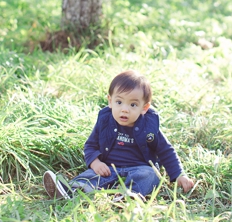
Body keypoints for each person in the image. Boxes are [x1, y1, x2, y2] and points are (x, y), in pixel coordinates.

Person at [42, 70, 195, 201]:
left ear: (144, 108)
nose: (125, 110)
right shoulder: (105, 121)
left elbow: (165, 150)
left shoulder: (148, 126)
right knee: (90, 176)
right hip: (108, 168)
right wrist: (95, 163)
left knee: (150, 175)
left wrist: (179, 175)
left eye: (133, 105)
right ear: (110, 101)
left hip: (138, 168)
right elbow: (91, 145)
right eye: (119, 102)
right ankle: (72, 191)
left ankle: (129, 196)